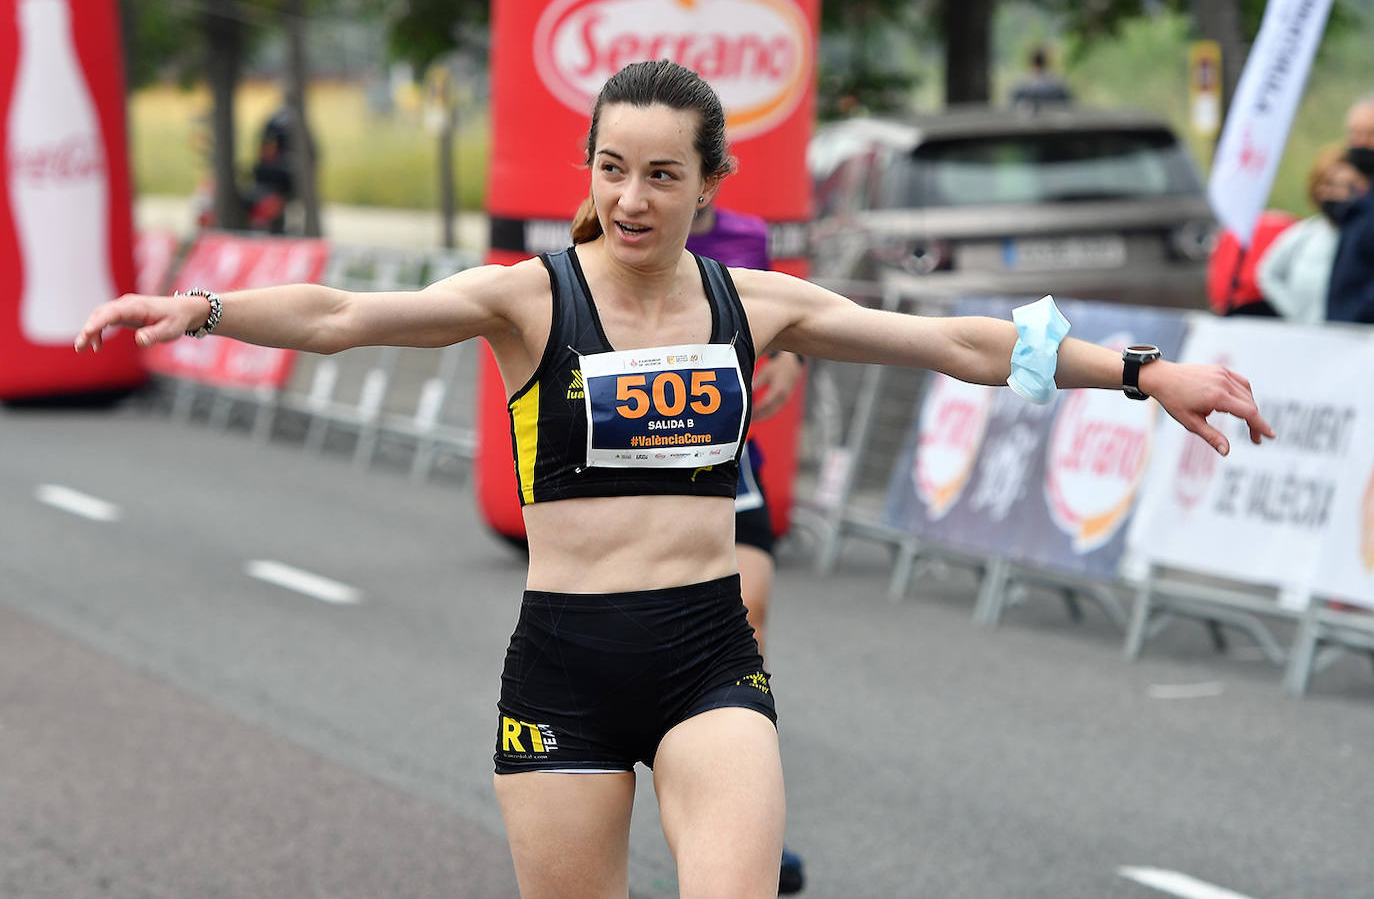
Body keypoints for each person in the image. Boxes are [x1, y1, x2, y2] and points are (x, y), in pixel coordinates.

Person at [75, 60, 1273, 898]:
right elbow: (344, 312)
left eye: (660, 174)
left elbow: (957, 341)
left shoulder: (755, 305)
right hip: (566, 661)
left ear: (709, 185)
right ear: (589, 172)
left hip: (706, 651)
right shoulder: (529, 296)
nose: (631, 198)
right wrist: (210, 304)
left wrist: (1141, 369)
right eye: (612, 169)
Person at [684, 199, 807, 893]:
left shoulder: (748, 237)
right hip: (633, 458)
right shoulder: (608, 230)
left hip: (726, 448)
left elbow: (784, 313)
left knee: (750, 610)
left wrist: (787, 356)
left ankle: (747, 824)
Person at [1257, 146, 1369, 324]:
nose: (1336, 193)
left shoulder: (1363, 237)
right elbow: (1268, 274)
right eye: (1329, 184)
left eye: (1348, 186)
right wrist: (1297, 314)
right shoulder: (1305, 234)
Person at [1326, 93, 1374, 322]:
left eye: (1369, 133)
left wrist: (1355, 315)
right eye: (1354, 132)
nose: (1360, 142)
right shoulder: (1359, 202)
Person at [1009, 46, 1073, 110]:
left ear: (1031, 63)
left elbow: (1013, 104)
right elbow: (1068, 103)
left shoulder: (1022, 86)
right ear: (1047, 63)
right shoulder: (1057, 85)